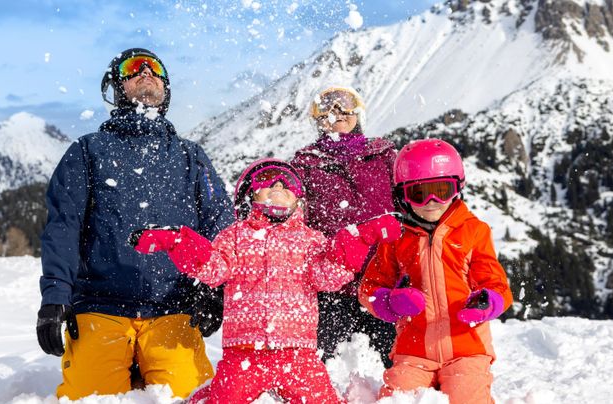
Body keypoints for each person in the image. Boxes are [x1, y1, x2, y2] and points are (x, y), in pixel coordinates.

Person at [35, 47, 235, 400]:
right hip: (101, 304)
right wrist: (55, 297)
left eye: (155, 68)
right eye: (133, 67)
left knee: (189, 396)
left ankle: (142, 365)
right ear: (117, 87)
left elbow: (220, 226)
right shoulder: (88, 151)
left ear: (166, 87)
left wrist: (214, 289)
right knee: (92, 398)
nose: (146, 72)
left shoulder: (190, 156)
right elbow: (63, 227)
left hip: (173, 306)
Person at [133, 159, 401, 404]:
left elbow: (329, 277)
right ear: (250, 193)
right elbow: (213, 269)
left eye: (288, 183)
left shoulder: (311, 240)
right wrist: (178, 242)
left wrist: (360, 238)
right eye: (268, 179)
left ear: (299, 199)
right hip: (243, 354)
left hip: (299, 356)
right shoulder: (234, 237)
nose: (279, 185)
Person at [358, 139, 513, 403]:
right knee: (396, 398)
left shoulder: (474, 231)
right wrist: (389, 303)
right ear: (403, 195)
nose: (431, 202)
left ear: (457, 187)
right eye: (419, 193)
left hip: (467, 349)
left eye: (441, 191)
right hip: (413, 352)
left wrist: (487, 303)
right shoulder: (395, 238)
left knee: (467, 398)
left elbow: (496, 284)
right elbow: (369, 288)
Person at [290, 86, 398, 364]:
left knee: (396, 364)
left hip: (384, 279)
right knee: (324, 366)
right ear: (316, 117)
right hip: (331, 287)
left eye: (344, 104)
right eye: (326, 106)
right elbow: (294, 222)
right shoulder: (304, 165)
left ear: (359, 111)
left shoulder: (383, 156)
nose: (336, 112)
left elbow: (408, 206)